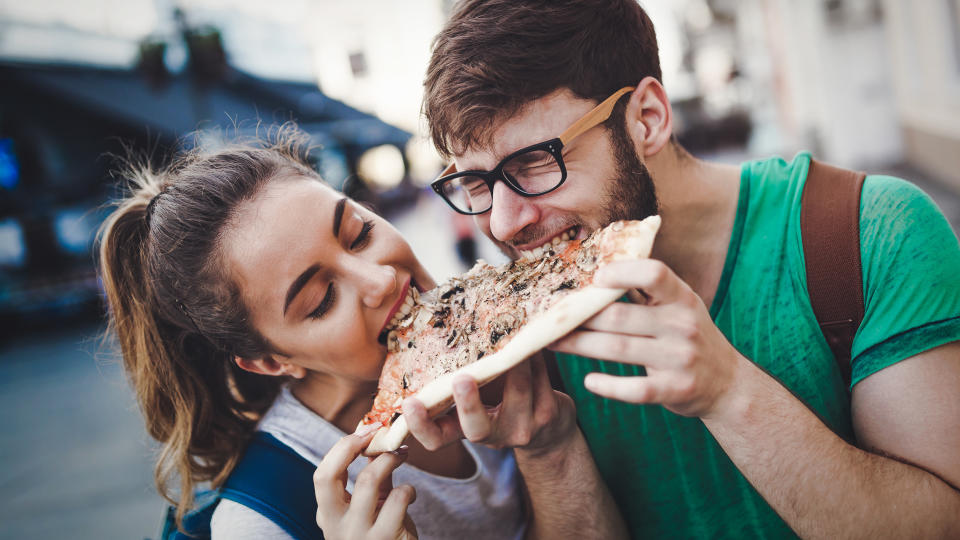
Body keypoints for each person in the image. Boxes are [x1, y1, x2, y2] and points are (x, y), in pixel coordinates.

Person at [404, 0, 960, 538]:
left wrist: (727, 392)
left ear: (648, 118)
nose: (503, 224)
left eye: (533, 163)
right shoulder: (527, 338)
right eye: (475, 184)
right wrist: (547, 448)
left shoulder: (869, 232)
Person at [97, 127, 617, 539]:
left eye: (360, 233)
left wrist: (549, 446)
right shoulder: (263, 524)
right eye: (320, 300)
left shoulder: (507, 334)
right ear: (270, 362)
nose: (381, 278)